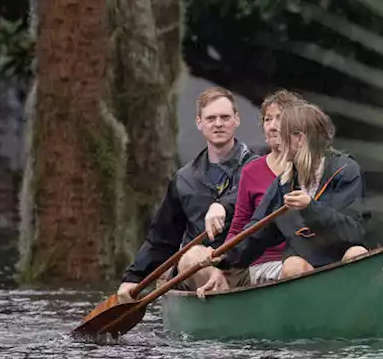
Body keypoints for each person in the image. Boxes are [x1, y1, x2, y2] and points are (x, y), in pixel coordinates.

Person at [198, 103, 368, 296]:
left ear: (300, 139)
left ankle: (354, 317)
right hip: (306, 267)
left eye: (283, 135)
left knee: (357, 254)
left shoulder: (345, 170)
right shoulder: (284, 183)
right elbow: (257, 232)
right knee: (292, 265)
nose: (278, 142)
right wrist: (223, 256)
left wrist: (310, 207)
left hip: (340, 264)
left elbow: (353, 231)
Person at [114, 87, 258, 302]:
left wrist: (223, 206)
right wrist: (133, 277)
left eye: (225, 117)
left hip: (243, 266)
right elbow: (162, 239)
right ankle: (225, 300)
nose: (218, 123)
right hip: (196, 269)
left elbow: (255, 194)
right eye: (211, 118)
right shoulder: (183, 179)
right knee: (191, 256)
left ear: (236, 120)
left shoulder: (257, 167)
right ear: (199, 123)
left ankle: (228, 299)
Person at [218, 89, 307, 287]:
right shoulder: (251, 172)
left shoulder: (313, 168)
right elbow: (238, 225)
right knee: (295, 267)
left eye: (280, 118)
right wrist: (223, 262)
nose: (273, 126)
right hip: (266, 264)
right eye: (268, 120)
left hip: (310, 259)